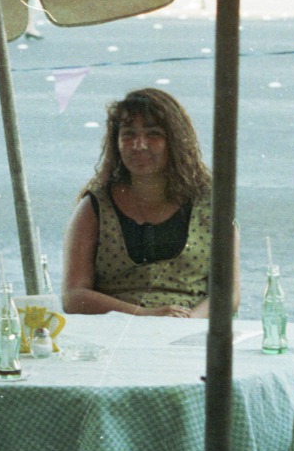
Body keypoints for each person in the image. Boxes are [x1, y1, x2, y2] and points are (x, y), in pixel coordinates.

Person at [63, 88, 238, 317]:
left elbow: (228, 293)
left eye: (153, 134)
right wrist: (145, 315)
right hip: (118, 331)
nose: (139, 144)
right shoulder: (96, 206)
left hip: (190, 332)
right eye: (128, 134)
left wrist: (187, 321)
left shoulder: (210, 203)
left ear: (175, 141)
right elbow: (74, 296)